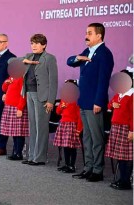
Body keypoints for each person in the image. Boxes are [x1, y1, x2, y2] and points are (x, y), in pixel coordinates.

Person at [69, 23, 114, 182]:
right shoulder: (87, 51)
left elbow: (103, 80)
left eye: (89, 33)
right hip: (83, 101)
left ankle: (97, 170)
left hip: (95, 103)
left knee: (96, 138)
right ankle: (88, 168)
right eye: (86, 32)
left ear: (99, 35)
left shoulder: (104, 54)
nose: (86, 36)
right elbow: (70, 61)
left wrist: (99, 102)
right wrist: (77, 58)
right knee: (86, 137)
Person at [15, 33, 58, 166]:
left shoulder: (49, 58)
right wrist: (25, 61)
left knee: (41, 128)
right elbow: (11, 61)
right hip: (29, 93)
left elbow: (53, 81)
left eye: (36, 43)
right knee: (33, 127)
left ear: (44, 45)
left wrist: (51, 100)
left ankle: (39, 158)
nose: (33, 45)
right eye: (32, 43)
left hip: (42, 97)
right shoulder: (29, 56)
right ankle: (31, 156)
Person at [105, 69, 133, 190]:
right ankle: (121, 179)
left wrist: (132, 131)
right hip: (116, 127)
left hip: (125, 128)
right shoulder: (119, 94)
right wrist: (112, 105)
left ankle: (125, 181)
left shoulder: (131, 95)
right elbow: (109, 104)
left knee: (125, 157)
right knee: (120, 156)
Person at [53, 80, 82, 173]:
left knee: (72, 146)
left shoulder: (77, 100)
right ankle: (66, 164)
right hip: (64, 124)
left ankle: (72, 165)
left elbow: (79, 116)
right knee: (65, 145)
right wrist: (61, 106)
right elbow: (57, 112)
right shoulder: (64, 98)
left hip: (72, 125)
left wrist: (79, 129)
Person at [0, 76, 28, 160]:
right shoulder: (12, 77)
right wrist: (6, 82)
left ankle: (18, 153)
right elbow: (4, 88)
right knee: (13, 131)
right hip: (9, 106)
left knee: (19, 132)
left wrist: (20, 108)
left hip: (16, 107)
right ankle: (14, 151)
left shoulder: (21, 78)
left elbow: (23, 94)